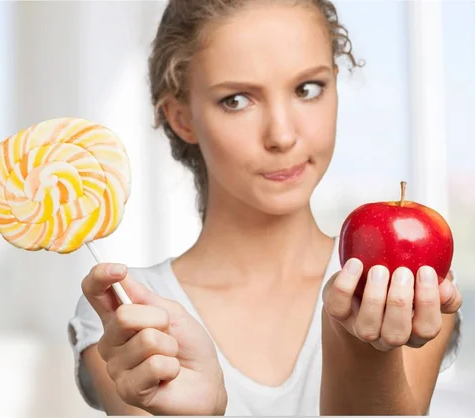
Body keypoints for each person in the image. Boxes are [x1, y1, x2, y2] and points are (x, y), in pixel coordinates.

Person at [67, 0, 464, 415]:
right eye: (237, 100)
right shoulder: (126, 309)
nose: (282, 135)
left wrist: (364, 352)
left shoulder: (405, 288)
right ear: (182, 118)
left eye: (307, 89)